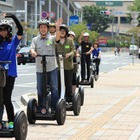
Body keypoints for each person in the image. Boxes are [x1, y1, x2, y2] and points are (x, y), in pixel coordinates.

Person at [30, 18, 62, 114]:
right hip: (40, 68)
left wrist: (57, 28)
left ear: (47, 29)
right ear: (39, 29)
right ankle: (41, 108)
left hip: (52, 67)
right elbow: (32, 49)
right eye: (41, 27)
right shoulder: (35, 39)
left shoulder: (51, 38)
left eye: (45, 27)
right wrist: (33, 52)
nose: (43, 29)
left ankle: (54, 108)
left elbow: (57, 39)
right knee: (40, 89)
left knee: (54, 89)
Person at [0, 13, 23, 129]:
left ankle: (11, 122)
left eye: (5, 30)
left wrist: (12, 16)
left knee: (6, 99)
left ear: (9, 31)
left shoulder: (13, 41)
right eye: (1, 30)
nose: (3, 32)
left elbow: (21, 29)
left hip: (9, 74)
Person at [55, 24, 74, 103]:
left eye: (64, 31)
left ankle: (68, 99)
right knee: (58, 84)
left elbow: (73, 50)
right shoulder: (55, 41)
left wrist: (69, 55)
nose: (62, 32)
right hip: (58, 66)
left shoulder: (70, 41)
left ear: (66, 32)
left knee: (68, 83)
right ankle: (59, 99)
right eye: (61, 31)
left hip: (68, 65)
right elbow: (51, 49)